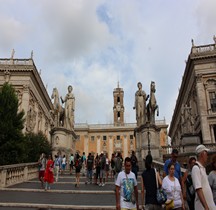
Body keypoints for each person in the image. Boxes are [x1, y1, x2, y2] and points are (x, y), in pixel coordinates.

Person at [192, 144, 215, 209]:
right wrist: (206, 207)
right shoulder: (196, 168)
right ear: (202, 154)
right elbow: (198, 189)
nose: (207, 156)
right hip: (202, 207)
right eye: (206, 153)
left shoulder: (202, 168)